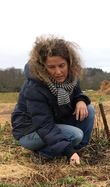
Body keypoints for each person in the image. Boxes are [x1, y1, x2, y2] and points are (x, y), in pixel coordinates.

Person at [11, 36, 95, 165]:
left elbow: (77, 93)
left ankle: (78, 151)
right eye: (51, 67)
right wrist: (68, 150)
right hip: (30, 130)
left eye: (62, 65)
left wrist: (81, 100)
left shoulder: (71, 77)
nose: (58, 72)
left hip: (54, 122)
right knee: (75, 135)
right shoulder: (34, 87)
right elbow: (44, 125)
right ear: (43, 67)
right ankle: (44, 154)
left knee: (88, 109)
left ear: (69, 63)